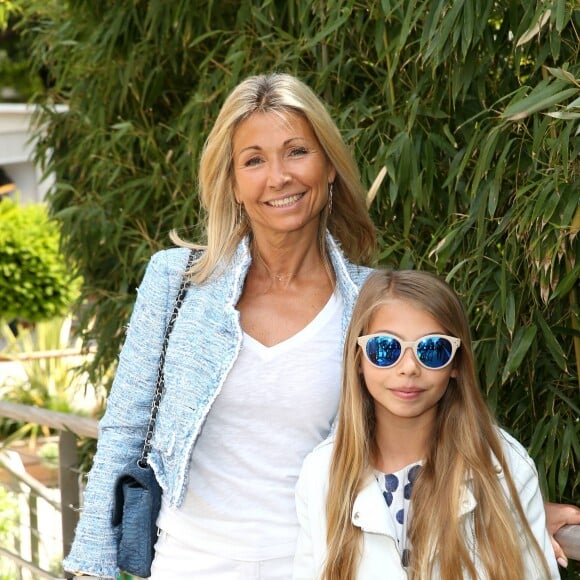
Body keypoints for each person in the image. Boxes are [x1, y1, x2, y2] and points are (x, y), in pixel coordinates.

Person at [63, 73, 577, 579]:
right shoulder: (177, 282)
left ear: (329, 166)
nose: (279, 176)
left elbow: (427, 422)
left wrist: (510, 506)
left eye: (297, 151)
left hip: (319, 559)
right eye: (254, 160)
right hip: (188, 562)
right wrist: (91, 568)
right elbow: (126, 429)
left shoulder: (371, 302)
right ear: (234, 183)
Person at [292, 269, 561, 579]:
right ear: (358, 359)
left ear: (457, 363)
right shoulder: (321, 474)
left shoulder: (503, 467)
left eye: (432, 349)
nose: (409, 368)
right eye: (385, 349)